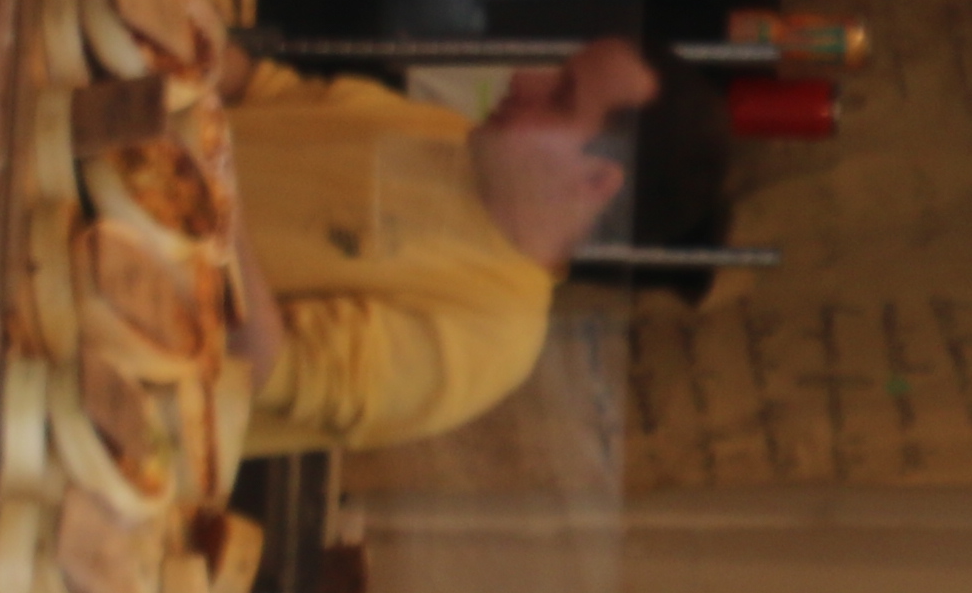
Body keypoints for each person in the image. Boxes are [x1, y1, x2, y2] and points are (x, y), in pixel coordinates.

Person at [233, 39, 658, 457]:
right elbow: (261, 90)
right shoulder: (454, 134)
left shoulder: (497, 333)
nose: (524, 76)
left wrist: (207, 188)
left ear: (595, 182)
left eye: (561, 96)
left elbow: (262, 362)